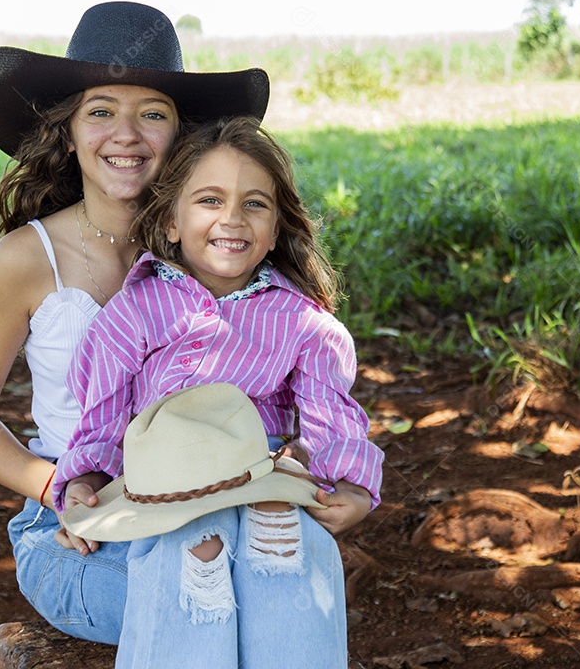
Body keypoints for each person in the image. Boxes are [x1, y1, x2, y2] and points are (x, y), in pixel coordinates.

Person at [0, 0, 269, 647]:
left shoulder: (213, 248)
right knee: (195, 612)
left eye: (152, 114)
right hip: (79, 525)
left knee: (277, 598)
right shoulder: (28, 257)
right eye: (100, 112)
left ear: (181, 137)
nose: (127, 134)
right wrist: (58, 491)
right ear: (67, 133)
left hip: (203, 505)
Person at [50, 116, 385, 668]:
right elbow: (103, 420)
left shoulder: (302, 322)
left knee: (290, 563)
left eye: (255, 204)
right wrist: (83, 481)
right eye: (209, 199)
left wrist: (352, 484)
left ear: (277, 229)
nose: (232, 218)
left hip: (265, 473)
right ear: (172, 221)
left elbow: (332, 413)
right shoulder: (134, 311)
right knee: (190, 560)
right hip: (167, 485)